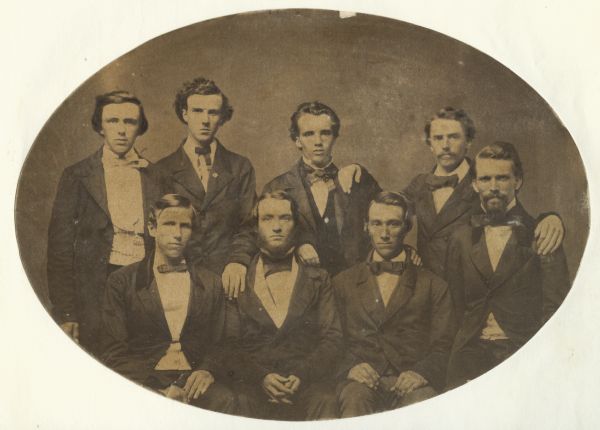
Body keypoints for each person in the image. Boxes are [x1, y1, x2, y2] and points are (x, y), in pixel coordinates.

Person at [345, 107, 565, 278]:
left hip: (466, 289)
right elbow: (387, 210)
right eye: (438, 138)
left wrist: (550, 218)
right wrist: (359, 173)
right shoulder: (420, 183)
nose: (446, 145)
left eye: (454, 137)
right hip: (424, 285)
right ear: (430, 144)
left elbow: (514, 214)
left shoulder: (484, 181)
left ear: (468, 142)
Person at [445, 142, 571, 389]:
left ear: (518, 181)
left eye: (502, 178)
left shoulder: (543, 233)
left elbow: (555, 310)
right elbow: (455, 305)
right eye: (486, 178)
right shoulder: (460, 238)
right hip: (468, 357)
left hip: (521, 353)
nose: (493, 187)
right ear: (474, 184)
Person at [47, 91, 161, 356]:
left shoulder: (156, 175)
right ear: (100, 126)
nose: (121, 130)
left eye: (130, 122)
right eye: (113, 121)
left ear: (139, 128)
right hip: (96, 289)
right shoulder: (77, 175)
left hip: (144, 285)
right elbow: (60, 249)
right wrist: (66, 312)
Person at [100, 194, 235, 413]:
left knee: (226, 401)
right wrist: (159, 389)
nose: (177, 234)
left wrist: (207, 370)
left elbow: (222, 341)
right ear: (152, 228)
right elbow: (113, 351)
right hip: (145, 380)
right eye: (169, 224)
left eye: (185, 226)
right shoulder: (122, 281)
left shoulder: (210, 282)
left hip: (193, 378)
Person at [333, 191, 455, 417]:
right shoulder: (342, 282)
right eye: (377, 224)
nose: (385, 234)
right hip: (362, 382)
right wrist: (351, 367)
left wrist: (422, 373)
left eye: (393, 224)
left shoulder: (433, 285)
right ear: (366, 226)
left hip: (412, 380)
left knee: (423, 403)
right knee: (354, 400)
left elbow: (444, 345)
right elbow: (332, 339)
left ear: (407, 227)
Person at [222, 190, 342, 420]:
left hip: (305, 382)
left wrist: (302, 374)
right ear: (255, 226)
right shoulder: (237, 276)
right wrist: (261, 377)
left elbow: (333, 338)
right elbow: (228, 342)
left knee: (326, 401)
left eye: (284, 218)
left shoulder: (319, 278)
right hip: (253, 384)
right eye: (267, 218)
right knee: (239, 403)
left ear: (296, 225)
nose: (276, 227)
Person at [152, 77, 257, 300]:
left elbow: (249, 224)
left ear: (222, 118)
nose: (205, 120)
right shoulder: (162, 169)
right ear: (185, 114)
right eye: (198, 111)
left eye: (213, 112)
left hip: (228, 281)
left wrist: (238, 261)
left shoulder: (240, 167)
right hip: (178, 279)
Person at [262, 101, 382, 276]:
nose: (318, 141)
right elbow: (263, 238)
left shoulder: (356, 180)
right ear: (297, 140)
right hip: (301, 283)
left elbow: (394, 213)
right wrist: (296, 246)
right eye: (309, 134)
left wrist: (363, 174)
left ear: (335, 136)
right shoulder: (277, 187)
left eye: (325, 133)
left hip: (352, 283)